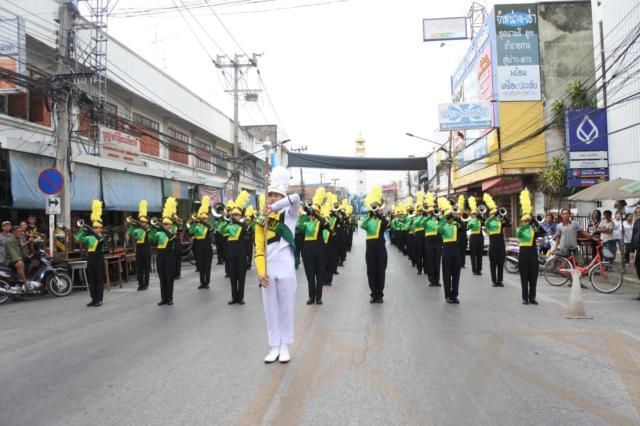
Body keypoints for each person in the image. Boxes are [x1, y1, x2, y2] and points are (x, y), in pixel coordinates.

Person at [255, 166, 300, 364]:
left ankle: (285, 345)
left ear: (282, 197)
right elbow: (259, 249)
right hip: (268, 267)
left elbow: (296, 198)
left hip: (286, 266)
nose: (272, 198)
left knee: (286, 308)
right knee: (270, 309)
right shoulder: (260, 220)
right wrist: (261, 272)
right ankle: (274, 345)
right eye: (270, 195)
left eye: (276, 195)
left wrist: (274, 207)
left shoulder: (290, 215)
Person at [298, 187, 329, 305]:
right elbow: (299, 225)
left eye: (314, 213)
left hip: (320, 251)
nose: (312, 215)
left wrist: (317, 215)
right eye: (312, 213)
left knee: (320, 275)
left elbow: (326, 224)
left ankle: (319, 297)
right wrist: (307, 213)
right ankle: (311, 297)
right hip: (307, 251)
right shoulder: (305, 222)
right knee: (310, 275)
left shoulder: (321, 222)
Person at [74, 200, 106, 307]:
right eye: (94, 227)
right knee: (92, 279)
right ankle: (93, 299)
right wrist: (83, 230)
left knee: (99, 279)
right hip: (91, 258)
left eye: (97, 228)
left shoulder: (103, 236)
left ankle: (99, 299)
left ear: (101, 228)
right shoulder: (89, 237)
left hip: (99, 258)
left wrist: (92, 231)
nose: (95, 229)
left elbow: (100, 240)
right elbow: (77, 239)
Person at [361, 186, 390, 303]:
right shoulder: (368, 220)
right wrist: (370, 215)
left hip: (381, 249)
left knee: (380, 271)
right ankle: (373, 294)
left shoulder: (381, 220)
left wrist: (380, 215)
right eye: (373, 207)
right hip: (370, 250)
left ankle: (380, 295)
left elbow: (388, 225)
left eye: (376, 207)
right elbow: (362, 225)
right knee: (371, 272)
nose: (374, 209)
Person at [220, 191, 250, 305]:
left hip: (241, 254)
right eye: (234, 215)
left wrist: (236, 221)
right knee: (233, 276)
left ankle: (240, 297)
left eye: (237, 215)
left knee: (241, 276)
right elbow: (221, 230)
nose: (235, 217)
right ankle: (234, 297)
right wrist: (225, 220)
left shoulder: (243, 225)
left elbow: (246, 228)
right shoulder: (229, 226)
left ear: (241, 216)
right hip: (231, 254)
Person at [149, 198, 178, 306]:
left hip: (170, 256)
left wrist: (164, 229)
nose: (164, 225)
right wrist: (152, 228)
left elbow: (172, 239)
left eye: (166, 224)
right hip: (160, 255)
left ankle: (170, 298)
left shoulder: (173, 232)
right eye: (164, 224)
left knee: (169, 277)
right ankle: (163, 298)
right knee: (162, 277)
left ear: (170, 225)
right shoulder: (159, 233)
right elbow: (152, 240)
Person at [516, 189, 540, 305]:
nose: (526, 222)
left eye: (528, 220)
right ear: (522, 221)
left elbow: (541, 232)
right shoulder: (519, 229)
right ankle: (525, 297)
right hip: (524, 253)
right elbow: (519, 233)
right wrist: (528, 224)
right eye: (525, 220)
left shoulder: (533, 229)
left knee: (533, 276)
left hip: (533, 252)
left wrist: (535, 223)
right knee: (524, 276)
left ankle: (532, 297)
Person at [438, 198, 463, 304]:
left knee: (456, 274)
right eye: (449, 217)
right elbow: (438, 228)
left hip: (456, 250)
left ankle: (455, 295)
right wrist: (444, 218)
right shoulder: (443, 226)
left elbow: (463, 227)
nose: (450, 219)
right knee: (447, 274)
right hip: (447, 250)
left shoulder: (456, 225)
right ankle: (448, 296)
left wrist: (456, 217)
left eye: (450, 217)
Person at [483, 193, 510, 288]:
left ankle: (500, 280)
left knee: (500, 262)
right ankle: (494, 280)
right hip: (493, 244)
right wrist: (493, 217)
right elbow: (485, 223)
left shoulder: (500, 221)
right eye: (494, 213)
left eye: (496, 213)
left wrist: (504, 215)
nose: (496, 214)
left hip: (501, 243)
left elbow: (508, 224)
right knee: (493, 262)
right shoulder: (489, 222)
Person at [188, 196, 214, 290]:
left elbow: (211, 229)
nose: (203, 219)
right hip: (199, 247)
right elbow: (190, 232)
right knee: (201, 265)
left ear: (207, 219)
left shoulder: (209, 225)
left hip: (207, 248)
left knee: (207, 266)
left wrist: (202, 222)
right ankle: (202, 282)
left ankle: (207, 282)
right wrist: (193, 223)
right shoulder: (196, 226)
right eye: (202, 218)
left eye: (205, 218)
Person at [127, 200, 151, 291]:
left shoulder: (148, 229)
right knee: (139, 267)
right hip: (139, 249)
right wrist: (132, 225)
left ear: (146, 222)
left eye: (143, 222)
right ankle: (140, 284)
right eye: (141, 221)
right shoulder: (137, 229)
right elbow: (129, 233)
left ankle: (146, 284)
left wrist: (144, 226)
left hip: (146, 249)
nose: (141, 223)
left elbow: (150, 234)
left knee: (146, 267)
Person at [424, 192, 442, 287]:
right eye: (430, 212)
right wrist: (429, 216)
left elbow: (444, 222)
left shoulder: (439, 220)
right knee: (430, 261)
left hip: (438, 241)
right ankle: (431, 280)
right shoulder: (426, 220)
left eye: (433, 212)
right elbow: (421, 223)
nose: (432, 213)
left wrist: (438, 216)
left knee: (437, 261)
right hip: (429, 242)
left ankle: (437, 280)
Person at [467, 196, 484, 276]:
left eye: (475, 214)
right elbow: (468, 227)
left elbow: (485, 223)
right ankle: (474, 270)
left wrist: (481, 218)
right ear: (471, 215)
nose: (474, 215)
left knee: (480, 254)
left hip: (480, 237)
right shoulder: (470, 221)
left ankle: (479, 270)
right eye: (473, 214)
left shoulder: (480, 220)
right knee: (473, 255)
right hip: (473, 237)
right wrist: (471, 222)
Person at [630, 202, 640, 300]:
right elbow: (633, 236)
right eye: (637, 208)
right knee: (638, 270)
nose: (638, 210)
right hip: (638, 251)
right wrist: (631, 251)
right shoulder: (637, 222)